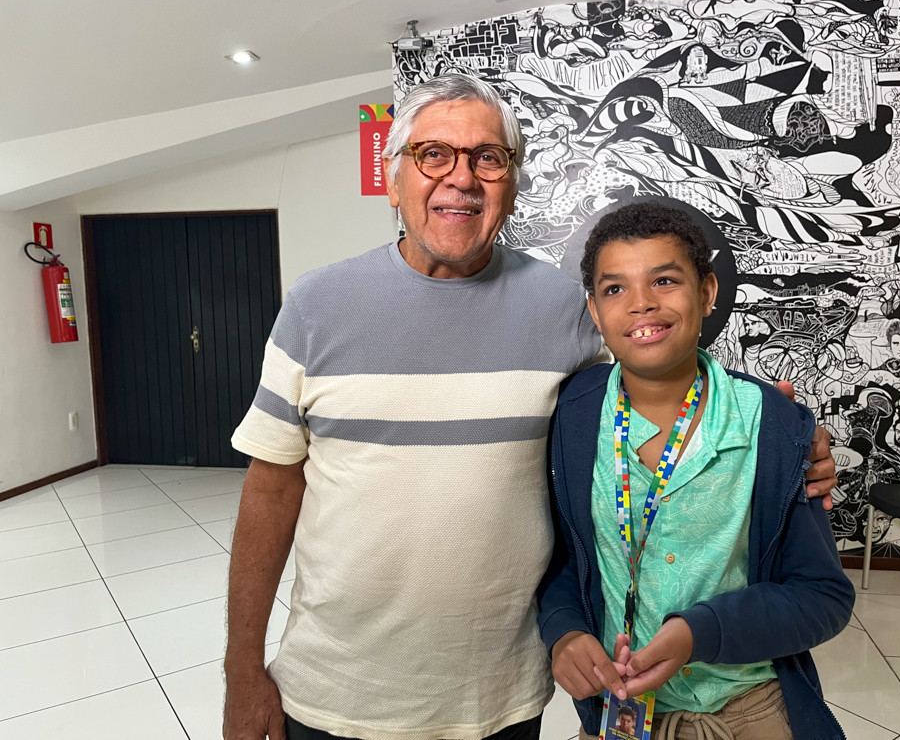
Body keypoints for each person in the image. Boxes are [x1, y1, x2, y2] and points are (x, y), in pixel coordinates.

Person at [222, 74, 838, 740]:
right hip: (337, 692)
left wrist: (780, 432)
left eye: (487, 157)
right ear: (393, 178)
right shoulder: (316, 306)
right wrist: (241, 669)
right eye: (434, 154)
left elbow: (653, 379)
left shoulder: (563, 308)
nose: (462, 178)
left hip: (500, 698)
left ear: (512, 186)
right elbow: (270, 491)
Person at [538, 203, 854, 740]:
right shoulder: (571, 416)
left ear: (707, 292)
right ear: (594, 309)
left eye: (664, 280)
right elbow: (563, 559)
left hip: (750, 704)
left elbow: (823, 595)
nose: (641, 303)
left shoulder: (771, 425)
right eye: (615, 288)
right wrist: (563, 630)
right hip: (622, 706)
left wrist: (698, 633)